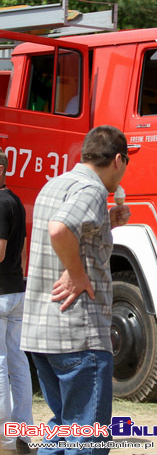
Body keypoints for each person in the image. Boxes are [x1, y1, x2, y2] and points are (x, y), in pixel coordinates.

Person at [21, 126, 131, 454]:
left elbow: (61, 231)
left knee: (64, 428)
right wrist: (77, 274)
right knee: (88, 437)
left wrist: (106, 221)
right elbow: (60, 230)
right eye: (125, 164)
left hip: (42, 331)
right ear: (118, 160)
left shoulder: (55, 184)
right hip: (78, 334)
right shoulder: (91, 190)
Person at [0, 150, 32, 455]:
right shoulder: (16, 201)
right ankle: (23, 434)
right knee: (18, 364)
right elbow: (18, 252)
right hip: (16, 291)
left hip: (0, 294)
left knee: (0, 366)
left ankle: (5, 441)